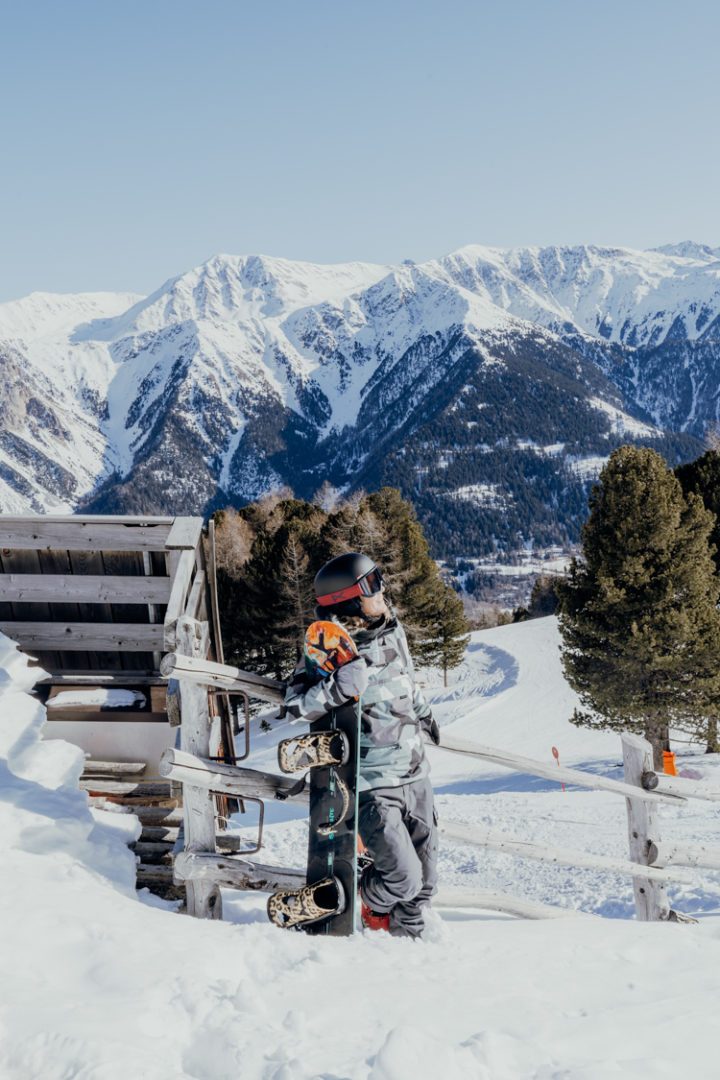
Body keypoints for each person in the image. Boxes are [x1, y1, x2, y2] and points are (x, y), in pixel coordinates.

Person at [284, 552, 440, 939]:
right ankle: (362, 899)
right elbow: (295, 703)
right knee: (404, 880)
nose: (382, 588)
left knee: (425, 887)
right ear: (348, 600)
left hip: (416, 774)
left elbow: (408, 682)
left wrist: (425, 713)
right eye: (372, 584)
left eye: (379, 578)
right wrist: (340, 685)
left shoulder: (393, 630)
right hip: (373, 785)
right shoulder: (331, 652)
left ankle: (409, 950)